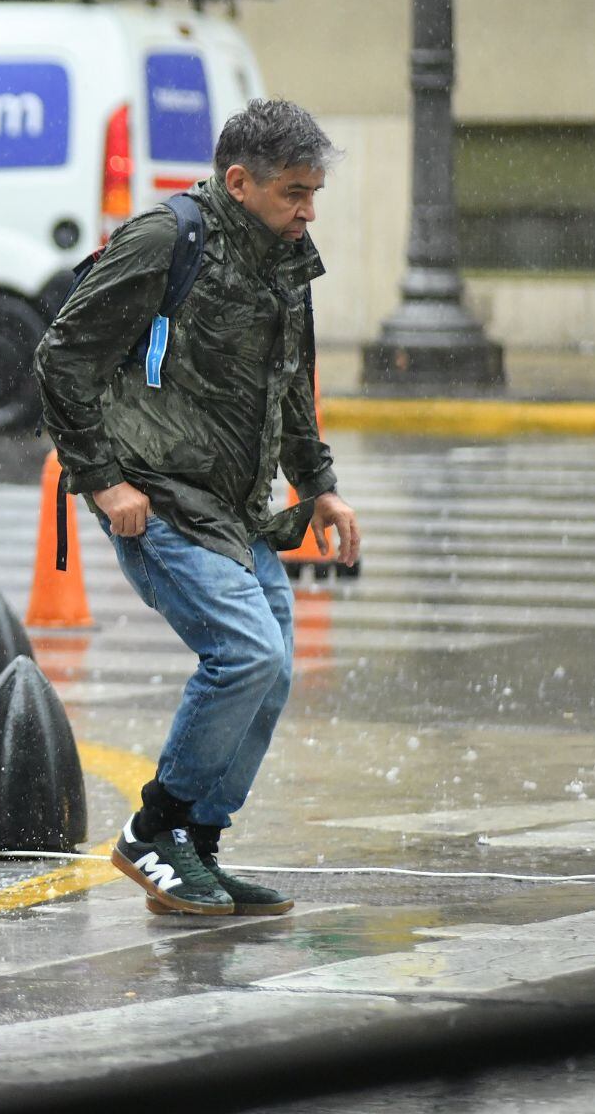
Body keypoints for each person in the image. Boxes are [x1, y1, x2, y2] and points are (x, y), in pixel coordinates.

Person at [35, 98, 361, 917]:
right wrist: (103, 480)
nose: (308, 210)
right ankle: (155, 831)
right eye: (295, 193)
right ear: (241, 181)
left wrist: (316, 484)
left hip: (238, 505)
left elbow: (291, 379)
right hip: (161, 495)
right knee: (245, 654)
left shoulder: (286, 255)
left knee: (274, 671)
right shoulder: (165, 238)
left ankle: (197, 851)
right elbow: (61, 357)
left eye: (314, 193)